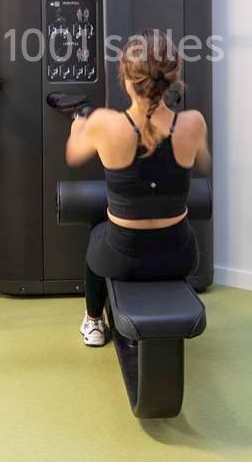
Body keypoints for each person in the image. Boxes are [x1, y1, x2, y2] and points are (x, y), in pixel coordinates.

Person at [64, 30, 210, 347]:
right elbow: (204, 162)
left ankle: (92, 322)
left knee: (96, 231)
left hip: (122, 258)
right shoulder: (193, 122)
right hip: (180, 255)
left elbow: (73, 155)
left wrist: (78, 126)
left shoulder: (104, 122)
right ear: (172, 79)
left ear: (127, 80)